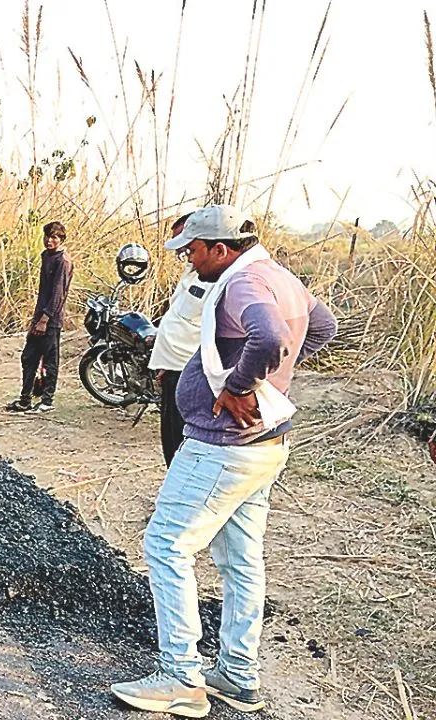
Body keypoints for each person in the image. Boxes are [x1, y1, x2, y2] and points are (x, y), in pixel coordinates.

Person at [110, 204, 337, 717]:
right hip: (264, 444)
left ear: (220, 248)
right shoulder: (279, 276)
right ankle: (237, 674)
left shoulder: (240, 285)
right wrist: (274, 383)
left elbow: (273, 338)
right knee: (240, 560)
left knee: (166, 544)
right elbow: (322, 326)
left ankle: (181, 679)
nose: (189, 262)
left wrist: (242, 385)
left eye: (192, 251)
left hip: (224, 446)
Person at [149, 213, 211, 466]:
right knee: (172, 440)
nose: (183, 251)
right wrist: (165, 364)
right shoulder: (191, 272)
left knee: (186, 444)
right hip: (174, 370)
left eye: (186, 243)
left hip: (192, 373)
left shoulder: (218, 279)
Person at [7, 221, 73, 413]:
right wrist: (37, 318)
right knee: (29, 357)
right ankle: (25, 399)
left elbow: (57, 294)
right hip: (39, 316)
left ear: (61, 239)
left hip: (51, 320)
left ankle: (46, 401)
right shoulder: (46, 256)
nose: (49, 240)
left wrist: (45, 319)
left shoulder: (63, 261)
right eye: (47, 236)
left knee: (50, 360)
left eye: (54, 237)